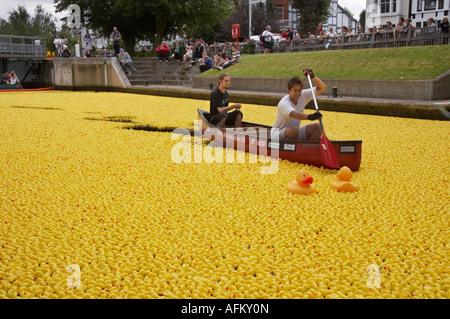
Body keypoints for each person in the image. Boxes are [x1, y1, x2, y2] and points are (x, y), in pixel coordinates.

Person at [270, 69, 326, 142]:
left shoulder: (303, 95)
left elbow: (322, 88)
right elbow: (294, 113)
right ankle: (292, 152)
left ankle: (308, 149)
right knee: (294, 131)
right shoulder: (284, 103)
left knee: (318, 127)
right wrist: (310, 116)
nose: (297, 93)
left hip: (295, 132)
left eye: (299, 90)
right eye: (295, 90)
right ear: (288, 90)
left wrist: (313, 77)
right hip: (277, 135)